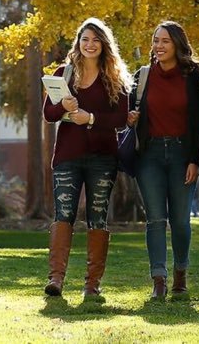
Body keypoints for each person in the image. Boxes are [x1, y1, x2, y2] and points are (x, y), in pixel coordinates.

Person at [41, 18, 132, 299]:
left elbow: (121, 119)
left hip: (103, 158)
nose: (90, 45)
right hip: (68, 156)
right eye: (85, 40)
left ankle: (92, 285)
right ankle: (56, 279)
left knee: (97, 218)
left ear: (104, 45)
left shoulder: (114, 79)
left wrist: (90, 118)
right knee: (64, 215)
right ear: (78, 44)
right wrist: (63, 107)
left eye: (95, 40)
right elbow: (48, 115)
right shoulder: (63, 73)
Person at [125, 21, 199, 299]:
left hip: (183, 154)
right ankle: (158, 280)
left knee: (181, 220)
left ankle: (180, 274)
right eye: (155, 41)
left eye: (165, 41)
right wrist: (131, 118)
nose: (158, 46)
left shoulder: (194, 77)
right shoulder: (143, 76)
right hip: (149, 155)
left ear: (178, 45)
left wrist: (195, 160)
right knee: (155, 220)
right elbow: (129, 112)